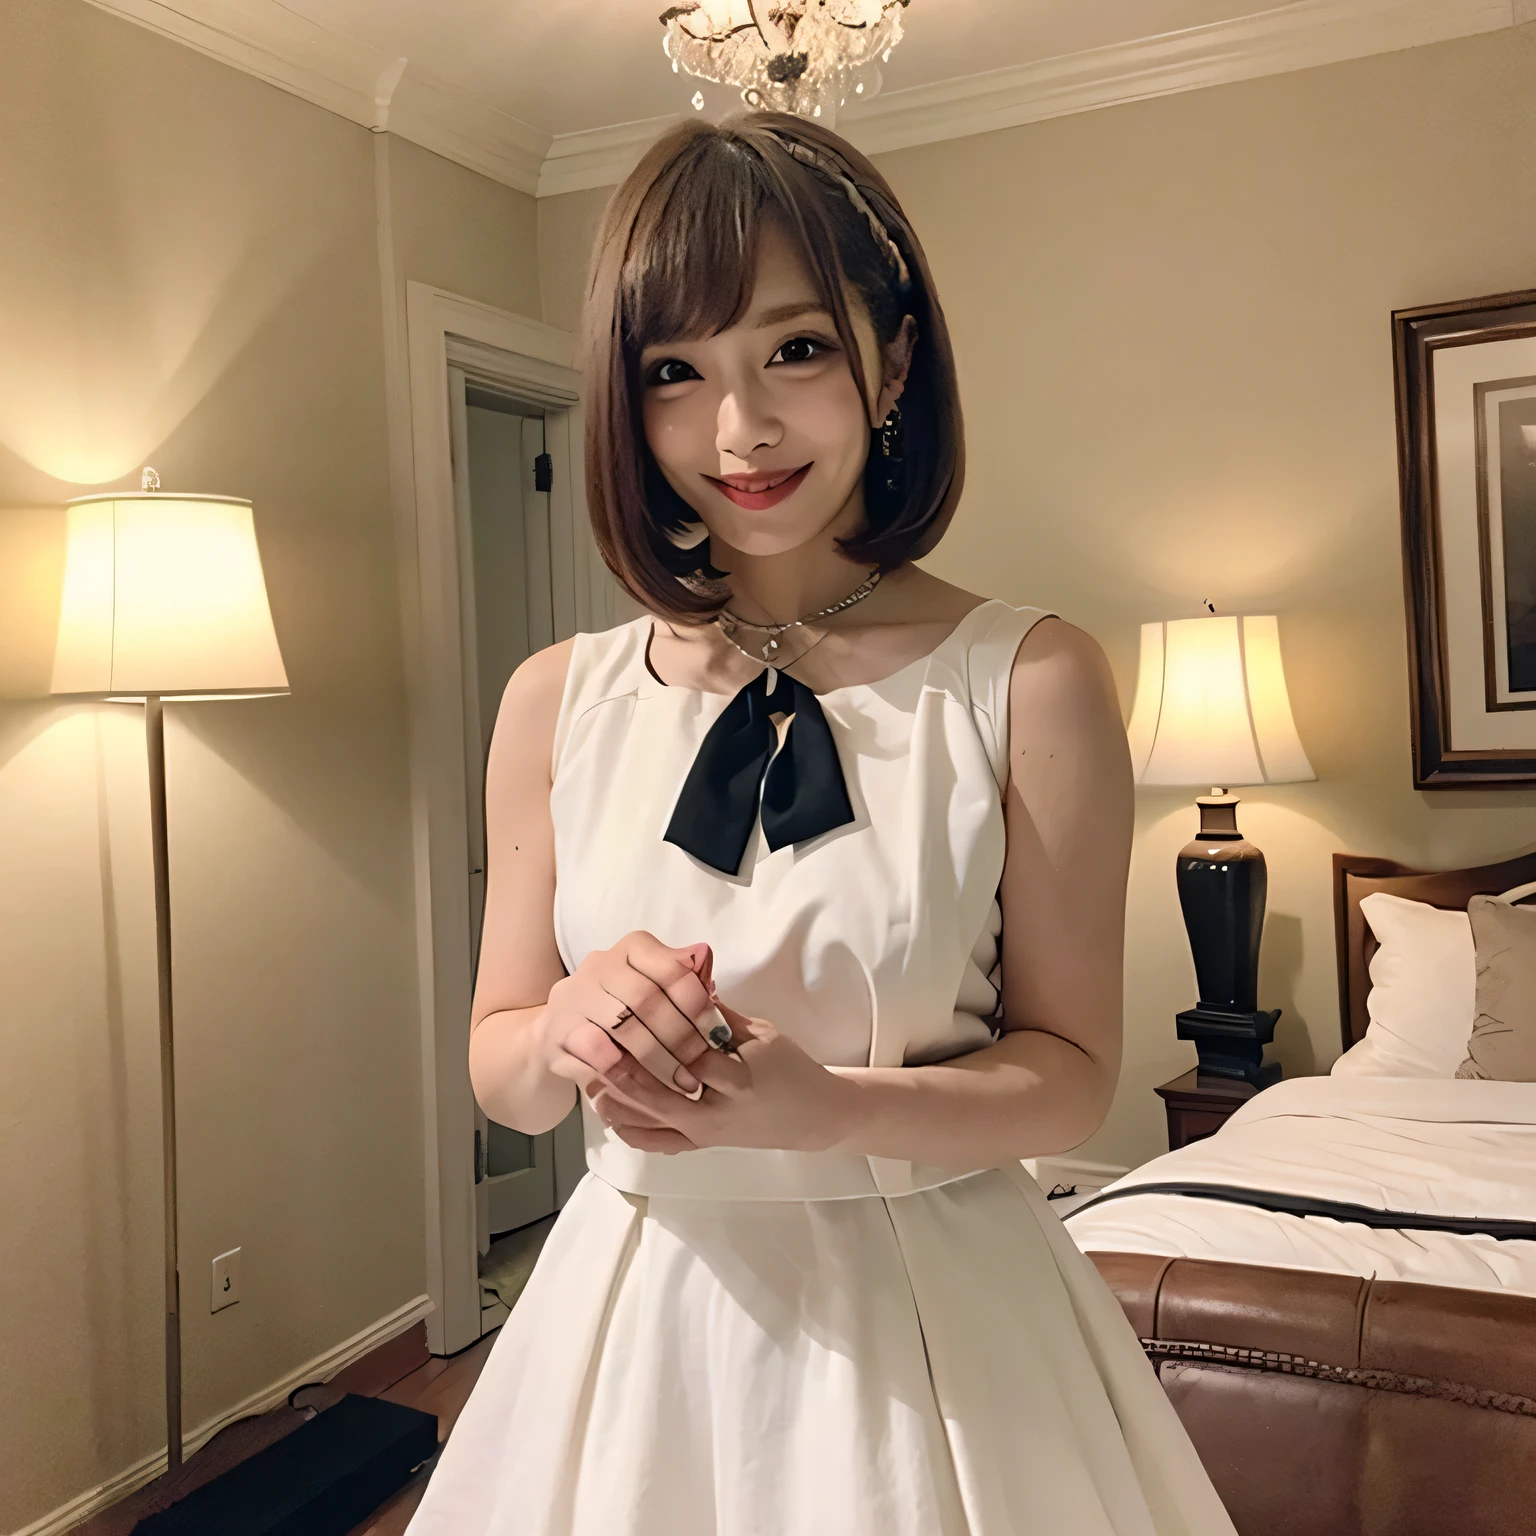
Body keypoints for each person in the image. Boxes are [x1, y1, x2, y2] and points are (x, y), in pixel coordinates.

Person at [405, 110, 1237, 1536]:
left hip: (938, 1334)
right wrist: (567, 1030)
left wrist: (833, 1110)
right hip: (631, 1326)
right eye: (677, 373)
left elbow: (1071, 1076)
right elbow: (505, 1071)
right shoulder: (556, 698)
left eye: (794, 349)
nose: (741, 429)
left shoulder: (1030, 677)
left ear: (893, 359)